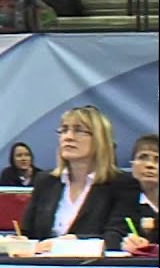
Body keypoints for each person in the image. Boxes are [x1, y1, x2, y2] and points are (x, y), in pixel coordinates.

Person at [15, 105, 137, 251]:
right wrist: (19, 241)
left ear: (100, 139)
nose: (68, 137)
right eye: (64, 130)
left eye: (79, 130)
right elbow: (28, 233)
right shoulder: (45, 181)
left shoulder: (122, 184)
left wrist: (75, 243)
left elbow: (118, 238)